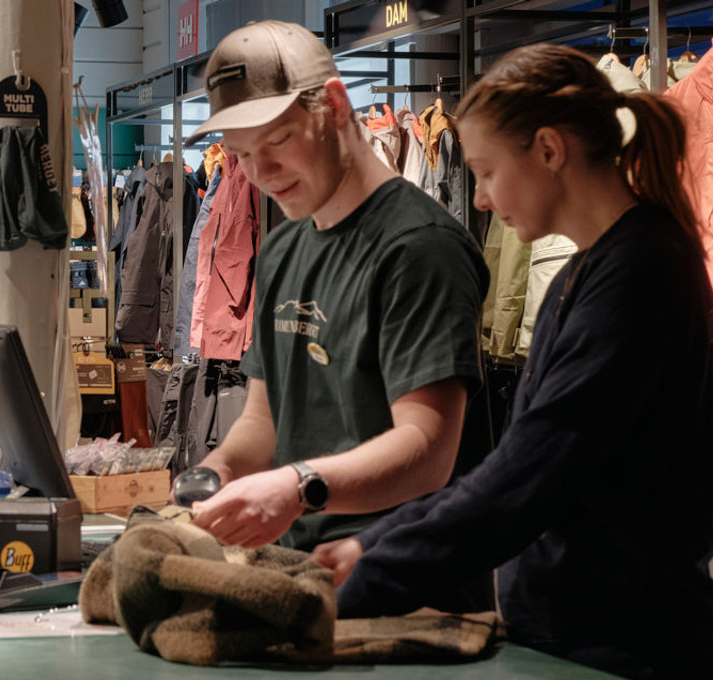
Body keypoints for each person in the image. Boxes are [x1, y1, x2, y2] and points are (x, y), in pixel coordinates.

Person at [310, 43, 713, 680]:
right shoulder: (592, 272)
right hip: (581, 642)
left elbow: (528, 479)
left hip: (629, 652)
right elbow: (519, 467)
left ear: (548, 150)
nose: (478, 200)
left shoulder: (638, 273)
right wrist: (371, 546)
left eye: (485, 171)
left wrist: (366, 579)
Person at [181, 21, 493, 613]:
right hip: (304, 583)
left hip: (409, 596)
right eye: (243, 155)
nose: (261, 172)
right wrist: (220, 470)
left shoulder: (419, 246)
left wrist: (296, 488)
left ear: (334, 104)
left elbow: (427, 451)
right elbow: (263, 421)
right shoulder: (282, 249)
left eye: (277, 140)